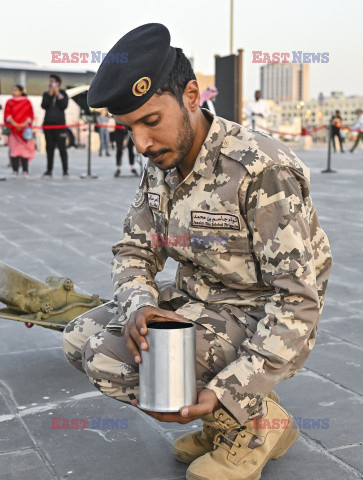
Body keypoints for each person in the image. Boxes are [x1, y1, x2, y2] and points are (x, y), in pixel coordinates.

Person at [62, 23, 332, 480]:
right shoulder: (162, 161)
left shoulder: (260, 168)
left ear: (191, 96)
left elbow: (299, 300)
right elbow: (134, 248)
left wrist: (232, 388)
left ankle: (251, 424)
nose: (141, 144)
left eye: (151, 121)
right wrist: (140, 306)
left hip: (255, 310)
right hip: (198, 299)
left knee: (107, 360)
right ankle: (231, 417)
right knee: (77, 338)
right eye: (129, 128)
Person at [4, 85, 35, 176]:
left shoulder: (27, 102)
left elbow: (30, 115)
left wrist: (22, 125)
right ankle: (15, 170)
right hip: (13, 131)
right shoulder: (9, 102)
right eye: (13, 90)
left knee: (24, 151)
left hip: (24, 131)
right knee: (14, 151)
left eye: (16, 90)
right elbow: (7, 115)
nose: (14, 92)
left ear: (21, 91)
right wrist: (15, 124)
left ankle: (25, 170)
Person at [41, 74, 69, 177]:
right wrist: (50, 94)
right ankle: (49, 170)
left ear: (57, 83)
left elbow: (64, 105)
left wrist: (57, 94)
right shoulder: (46, 94)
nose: (50, 83)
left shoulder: (63, 93)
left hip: (60, 127)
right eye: (50, 81)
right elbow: (44, 105)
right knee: (49, 149)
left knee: (62, 149)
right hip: (48, 127)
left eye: (52, 81)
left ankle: (65, 170)